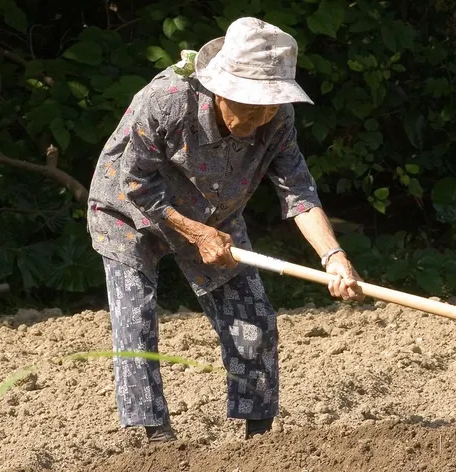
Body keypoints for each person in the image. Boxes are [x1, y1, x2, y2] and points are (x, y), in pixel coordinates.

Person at [85, 17, 366, 443]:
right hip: (129, 212)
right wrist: (194, 233)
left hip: (215, 214)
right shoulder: (166, 102)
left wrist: (334, 257)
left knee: (254, 319)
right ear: (220, 88)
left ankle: (261, 438)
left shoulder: (278, 121)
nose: (260, 116)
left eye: (270, 104)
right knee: (136, 319)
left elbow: (299, 191)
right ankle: (156, 440)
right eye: (250, 104)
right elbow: (137, 183)